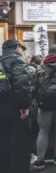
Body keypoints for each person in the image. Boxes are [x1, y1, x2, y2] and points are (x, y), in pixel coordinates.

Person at [32, 45, 56, 170]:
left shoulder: (40, 68)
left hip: (45, 105)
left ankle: (40, 160)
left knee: (43, 131)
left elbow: (35, 87)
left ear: (49, 53)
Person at [0, 39, 33, 173]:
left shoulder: (1, 61)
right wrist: (24, 106)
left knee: (3, 142)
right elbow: (22, 86)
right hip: (14, 110)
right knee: (19, 143)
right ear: (17, 48)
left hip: (2, 109)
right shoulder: (17, 61)